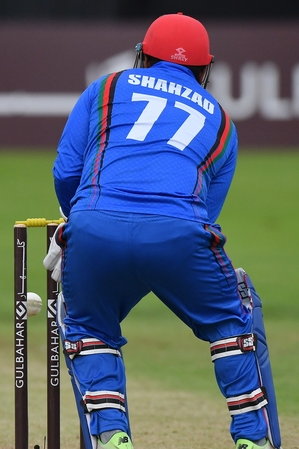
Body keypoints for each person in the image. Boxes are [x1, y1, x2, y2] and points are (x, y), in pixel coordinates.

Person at [47, 13, 281, 449]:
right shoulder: (222, 122)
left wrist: (74, 222)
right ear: (205, 68)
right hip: (180, 232)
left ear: (143, 56)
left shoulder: (107, 87)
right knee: (232, 321)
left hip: (96, 224)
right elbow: (206, 213)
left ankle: (111, 434)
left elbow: (66, 171)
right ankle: (253, 438)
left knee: (87, 324)